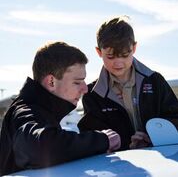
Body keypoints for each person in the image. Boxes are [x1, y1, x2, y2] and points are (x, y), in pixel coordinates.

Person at [0, 41, 121, 176]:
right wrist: (101, 140)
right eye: (77, 82)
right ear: (51, 82)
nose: (85, 89)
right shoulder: (25, 111)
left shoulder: (42, 109)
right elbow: (37, 147)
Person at [78, 16, 178, 150]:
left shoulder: (155, 81)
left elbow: (174, 117)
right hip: (120, 166)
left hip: (162, 159)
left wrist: (152, 138)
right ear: (98, 52)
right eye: (111, 56)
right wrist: (127, 146)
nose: (118, 62)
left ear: (134, 48)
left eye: (125, 55)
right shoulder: (92, 94)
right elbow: (92, 137)